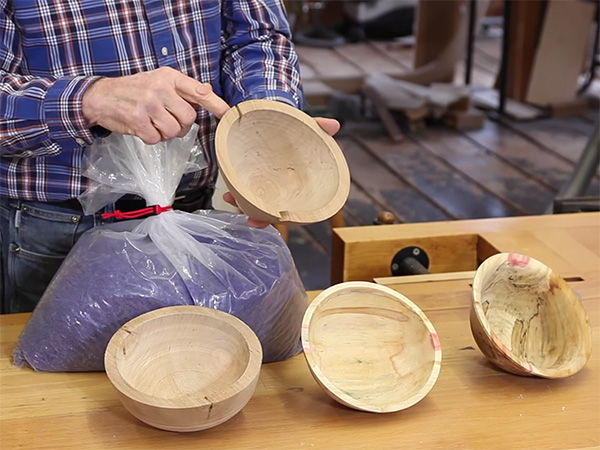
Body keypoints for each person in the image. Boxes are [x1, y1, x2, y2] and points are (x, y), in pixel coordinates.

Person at [0, 0, 340, 314]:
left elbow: (258, 36)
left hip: (192, 208)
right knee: (53, 371)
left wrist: (268, 120)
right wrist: (92, 100)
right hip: (56, 228)